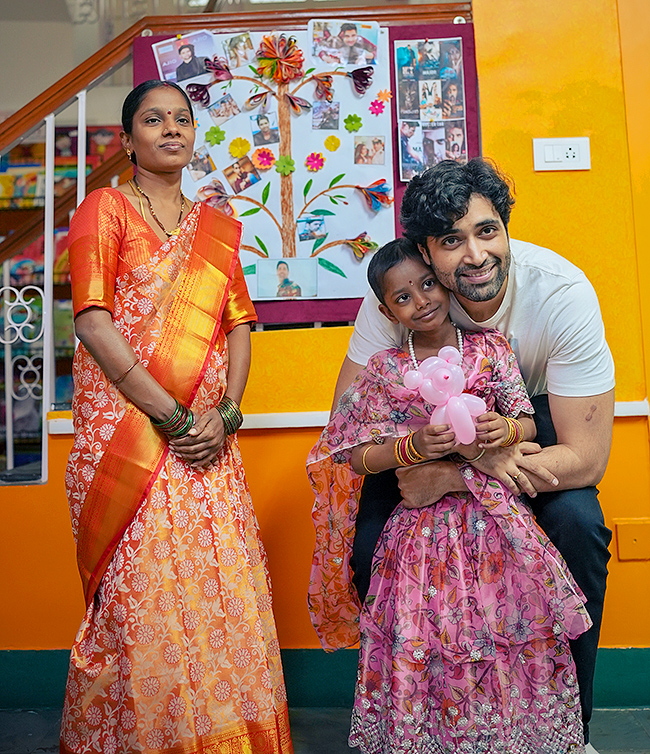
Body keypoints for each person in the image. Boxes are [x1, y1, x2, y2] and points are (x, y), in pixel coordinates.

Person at [328, 158, 615, 746]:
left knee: (579, 528)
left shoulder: (562, 295)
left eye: (487, 231)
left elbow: (584, 458)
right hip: (414, 446)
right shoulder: (405, 298)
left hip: (520, 431)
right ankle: (422, 721)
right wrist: (423, 460)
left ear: (506, 229)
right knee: (368, 550)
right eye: (451, 241)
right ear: (424, 252)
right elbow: (348, 428)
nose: (476, 255)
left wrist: (460, 478)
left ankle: (566, 728)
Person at [60, 80, 293, 754]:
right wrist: (171, 416)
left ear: (195, 136)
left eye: (182, 119)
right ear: (127, 140)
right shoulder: (102, 210)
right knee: (144, 603)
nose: (170, 129)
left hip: (208, 445)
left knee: (218, 594)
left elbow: (240, 325)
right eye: (153, 119)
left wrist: (225, 413)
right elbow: (93, 320)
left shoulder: (215, 227)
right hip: (128, 442)